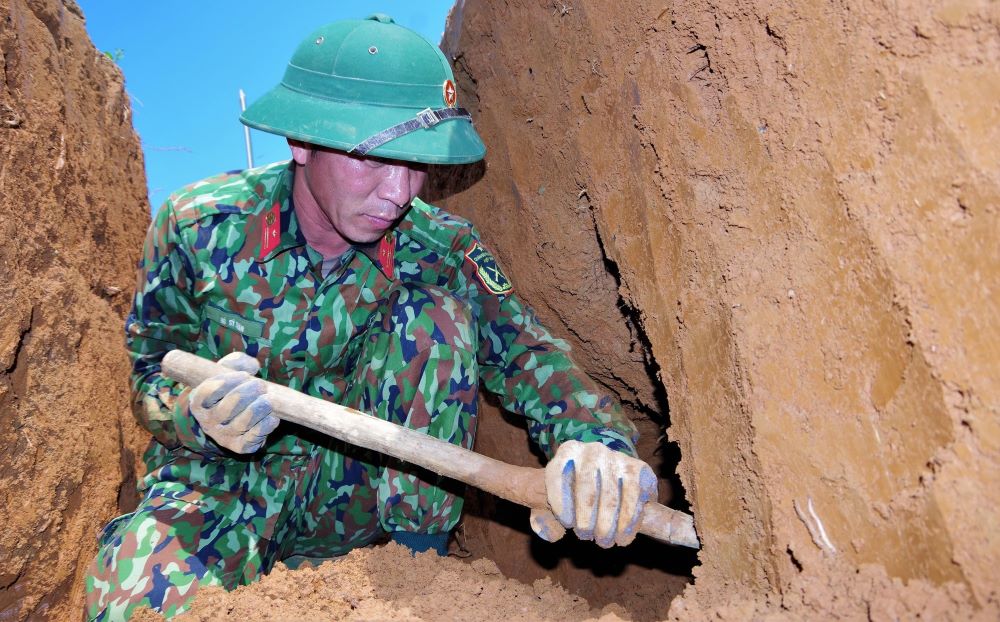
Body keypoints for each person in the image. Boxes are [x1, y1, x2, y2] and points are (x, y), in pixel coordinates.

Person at [85, 14, 657, 621]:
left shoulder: (442, 248)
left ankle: (421, 571)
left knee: (434, 317)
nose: (400, 190)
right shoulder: (197, 227)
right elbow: (150, 372)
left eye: (416, 164)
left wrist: (596, 445)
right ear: (301, 142)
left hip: (359, 512)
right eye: (377, 159)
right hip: (220, 494)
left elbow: (528, 355)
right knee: (128, 604)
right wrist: (197, 416)